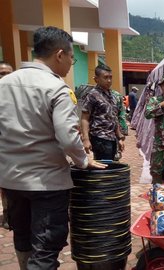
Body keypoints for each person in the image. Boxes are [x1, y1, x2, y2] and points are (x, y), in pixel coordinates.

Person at [0, 26, 106, 270]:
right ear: (59, 54)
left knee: (23, 237)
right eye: (71, 57)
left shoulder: (5, 84)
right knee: (46, 248)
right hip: (46, 183)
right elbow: (68, 138)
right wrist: (83, 161)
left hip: (12, 181)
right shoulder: (56, 88)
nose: (71, 63)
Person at [81, 64, 125, 160]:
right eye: (105, 77)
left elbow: (114, 117)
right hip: (99, 139)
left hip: (112, 139)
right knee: (104, 170)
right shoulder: (92, 95)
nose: (109, 80)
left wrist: (119, 137)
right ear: (96, 79)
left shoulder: (112, 95)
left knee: (111, 168)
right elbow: (84, 118)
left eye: (110, 77)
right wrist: (86, 139)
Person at [0, 61, 13, 229]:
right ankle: (8, 215)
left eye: (8, 73)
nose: (5, 76)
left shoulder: (18, 96)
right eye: (2, 73)